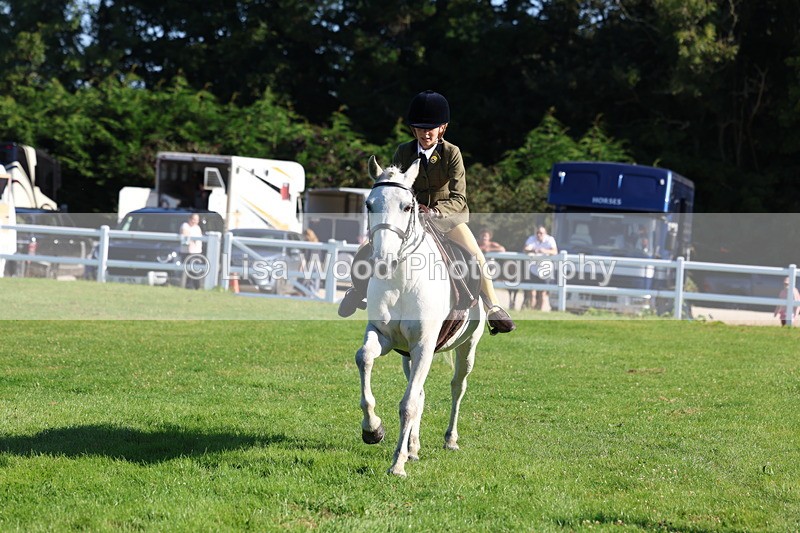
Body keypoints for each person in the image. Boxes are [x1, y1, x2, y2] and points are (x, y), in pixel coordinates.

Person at [338, 90, 515, 334]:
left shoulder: (452, 153)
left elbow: (459, 197)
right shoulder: (403, 151)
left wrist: (433, 212)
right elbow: (395, 189)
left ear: (442, 128)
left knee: (475, 255)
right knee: (368, 247)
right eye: (420, 128)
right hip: (410, 218)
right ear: (414, 129)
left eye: (430, 128)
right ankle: (356, 291)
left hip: (447, 218)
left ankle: (493, 308)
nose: (425, 133)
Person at [523, 226, 558, 310]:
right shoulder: (532, 239)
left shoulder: (550, 240)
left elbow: (555, 251)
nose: (539, 234)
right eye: (537, 233)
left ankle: (539, 310)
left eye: (541, 233)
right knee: (532, 292)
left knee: (542, 293)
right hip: (533, 269)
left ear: (545, 233)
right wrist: (533, 250)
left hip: (545, 270)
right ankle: (531, 311)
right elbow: (525, 248)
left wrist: (544, 251)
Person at [179, 213, 203, 289]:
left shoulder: (197, 228)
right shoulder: (185, 225)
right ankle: (188, 286)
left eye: (197, 220)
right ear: (190, 219)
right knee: (187, 270)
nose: (195, 221)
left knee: (195, 270)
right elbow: (185, 233)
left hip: (196, 252)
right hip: (186, 252)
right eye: (194, 219)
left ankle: (197, 287)